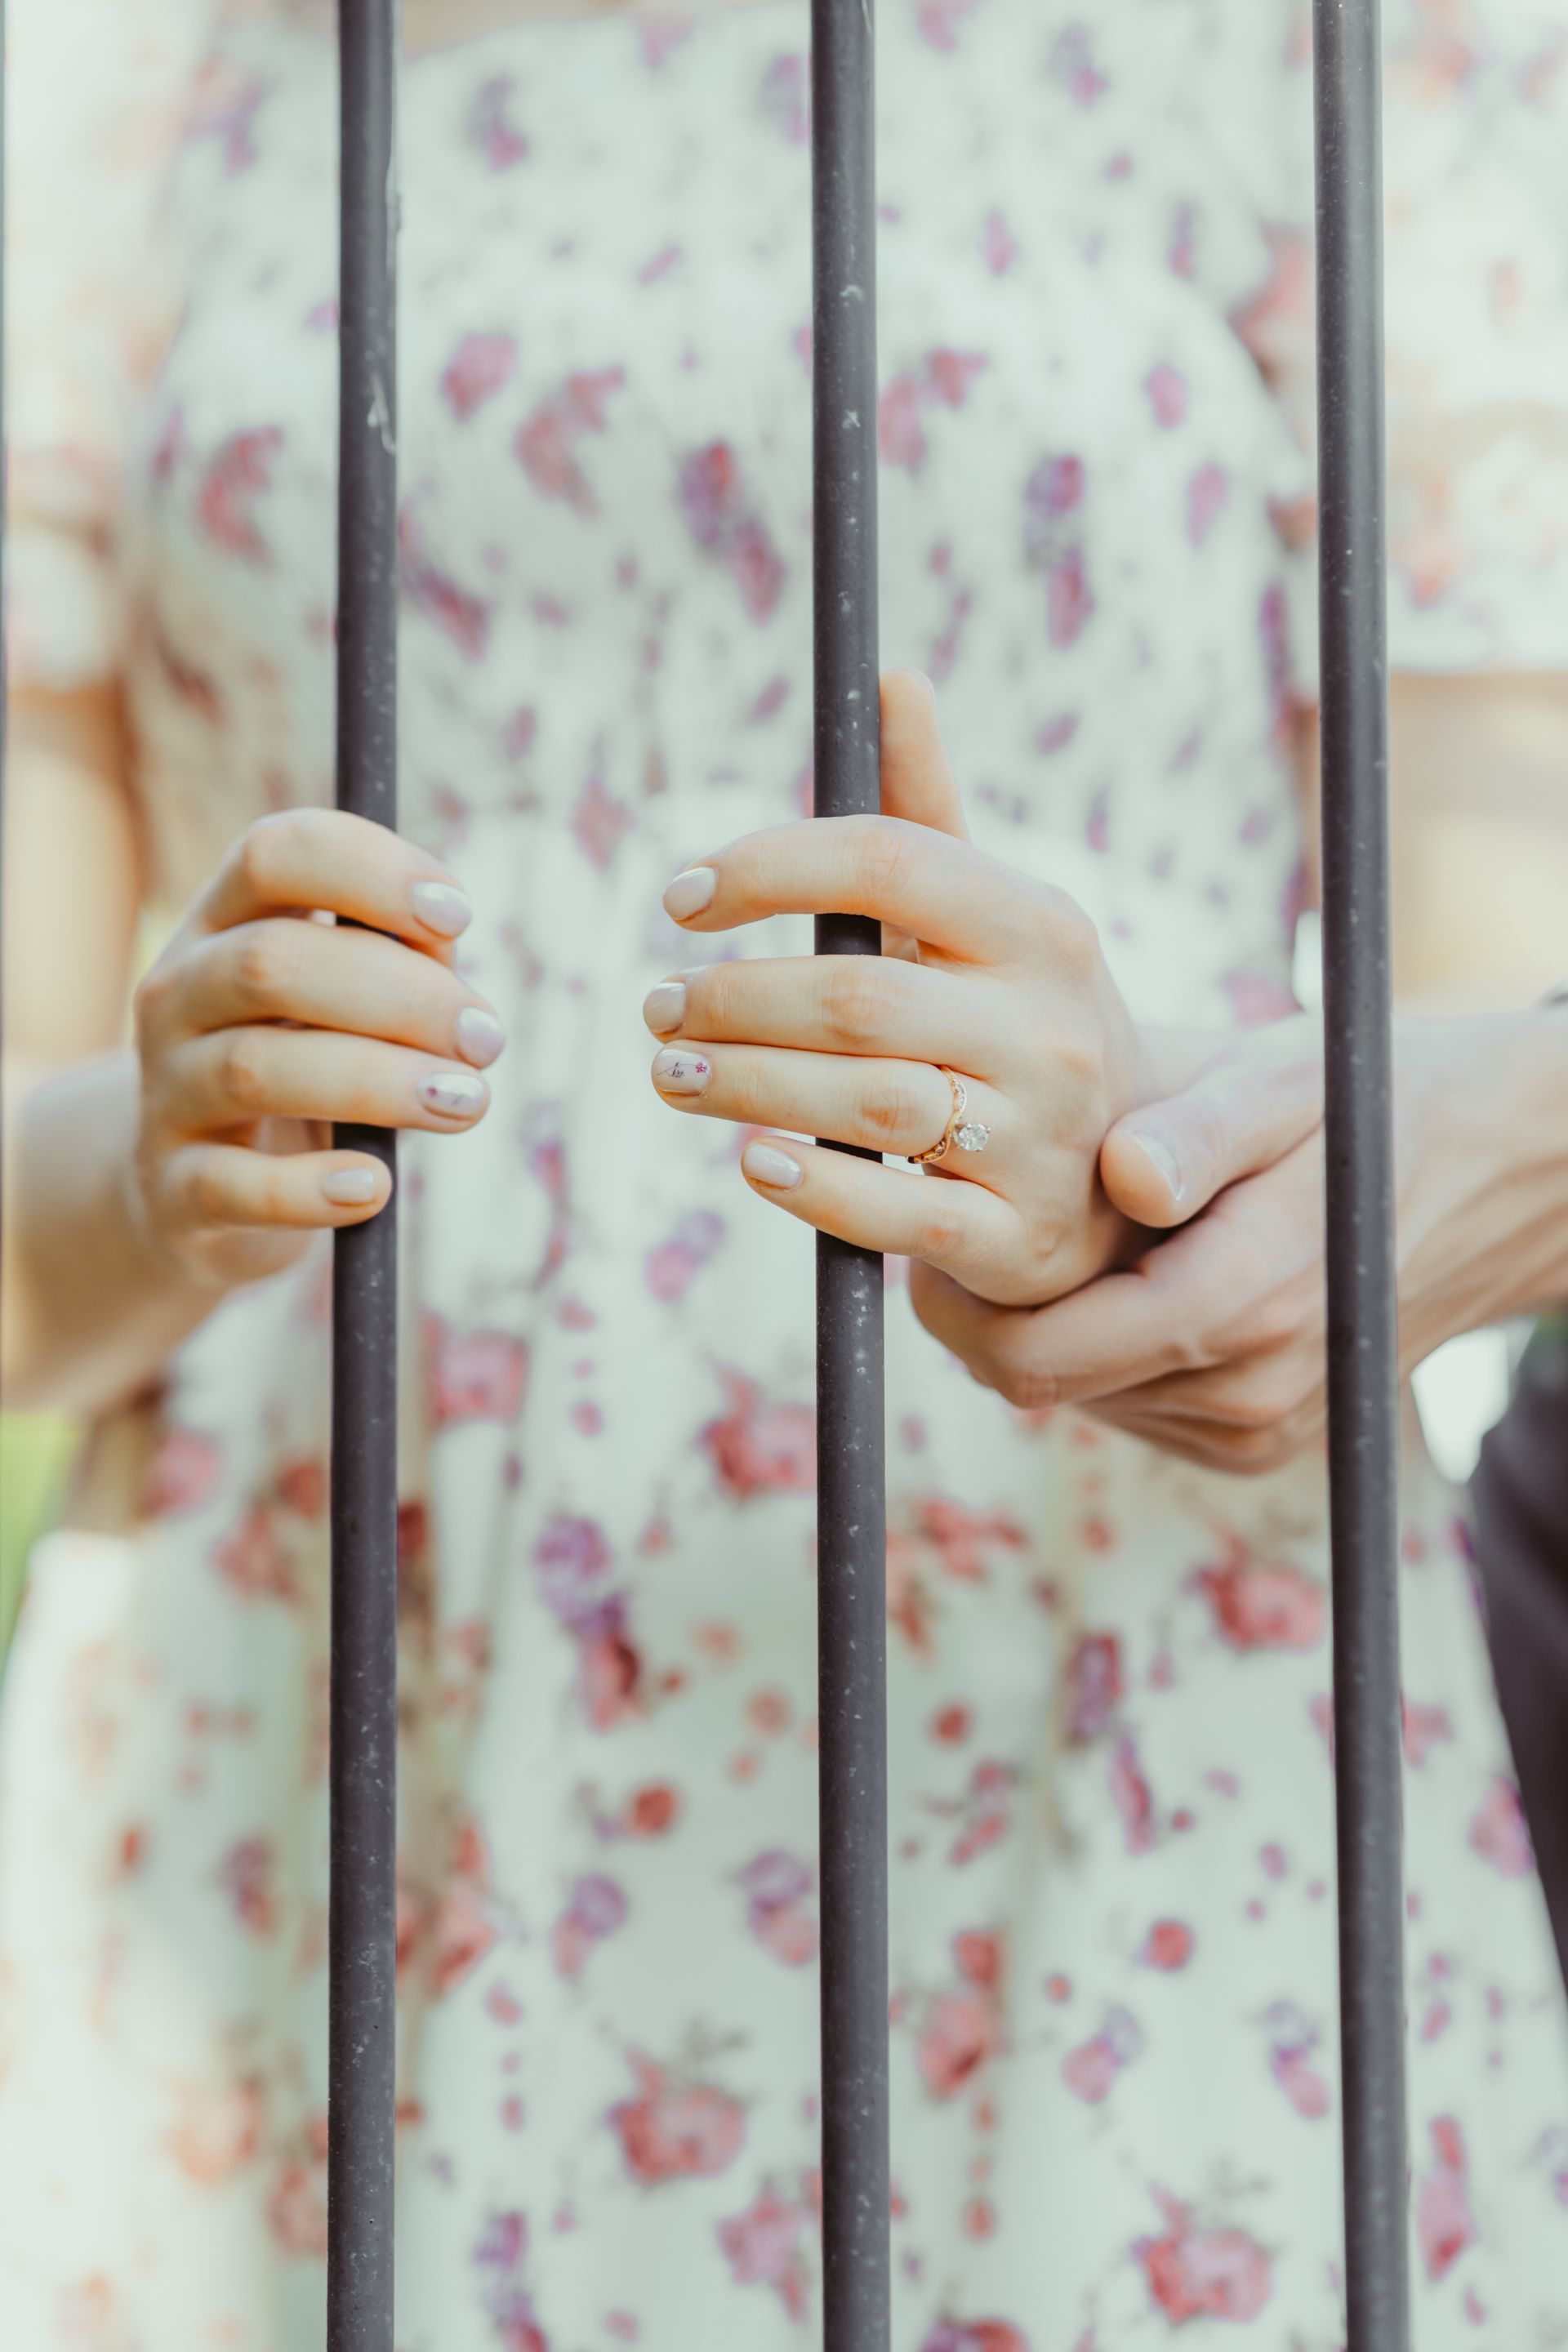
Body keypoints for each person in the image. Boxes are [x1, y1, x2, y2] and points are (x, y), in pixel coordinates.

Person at [2, 2, 1567, 2346]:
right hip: (295, 1749)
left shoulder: (1340, 50)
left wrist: (1169, 1167)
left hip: (1106, 1724)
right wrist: (160, 1155)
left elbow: (1468, 1042)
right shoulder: (143, 77)